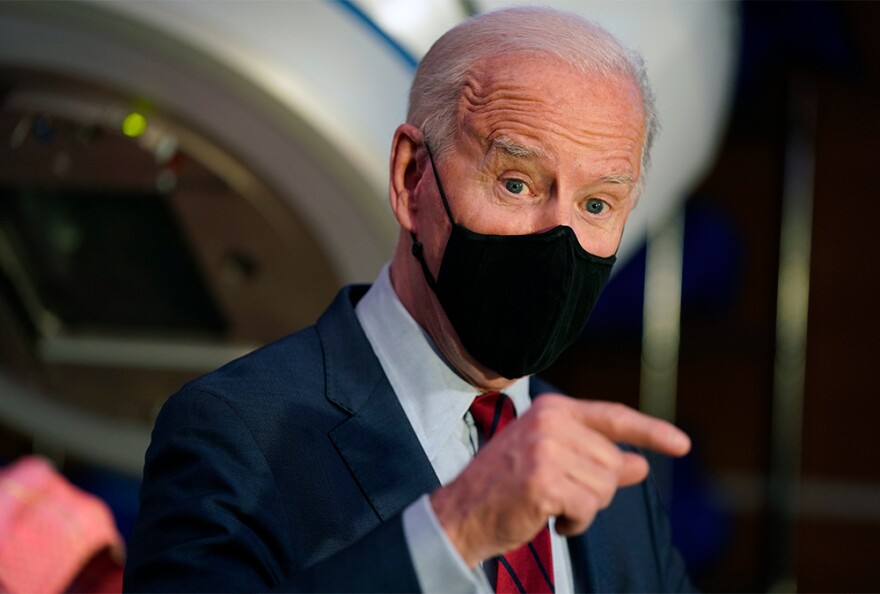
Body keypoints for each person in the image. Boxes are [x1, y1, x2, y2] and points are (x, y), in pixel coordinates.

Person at [124, 6, 694, 593]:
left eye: (596, 205)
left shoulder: (610, 477)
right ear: (410, 176)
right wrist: (457, 526)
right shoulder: (232, 431)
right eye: (516, 183)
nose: (559, 237)